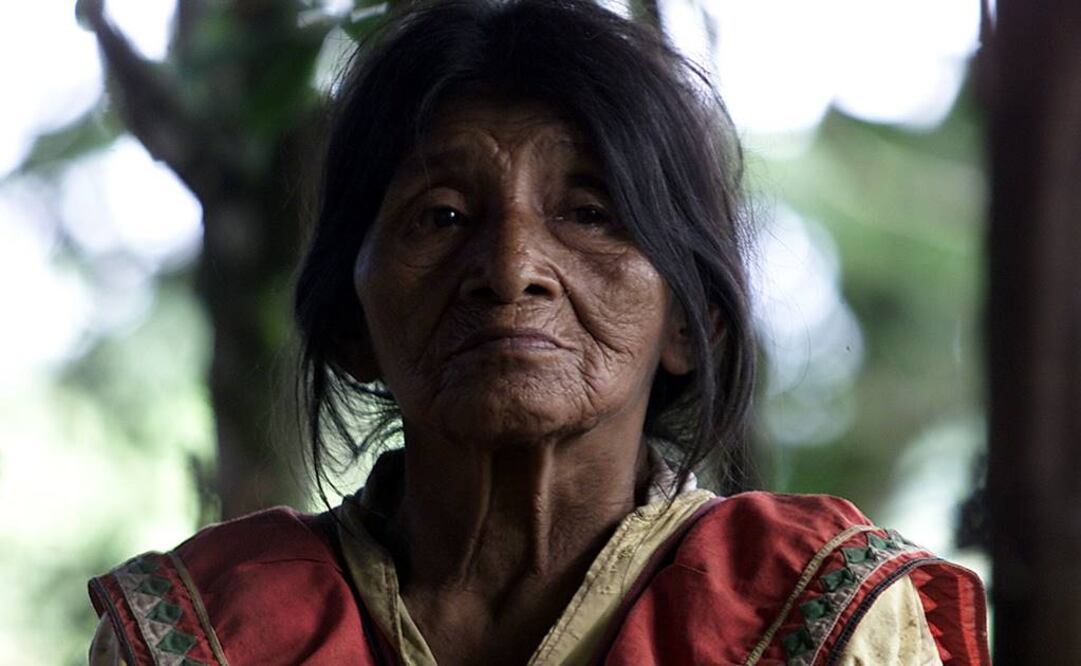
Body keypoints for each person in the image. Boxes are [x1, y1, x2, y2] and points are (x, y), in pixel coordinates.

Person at [88, 0, 990, 664]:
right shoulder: (211, 628)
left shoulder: (815, 615)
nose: (510, 265)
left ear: (689, 323)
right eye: (440, 216)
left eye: (590, 213)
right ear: (353, 327)